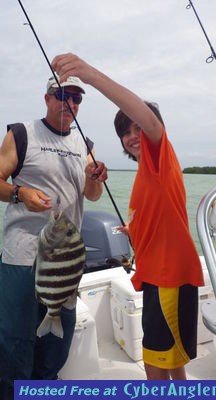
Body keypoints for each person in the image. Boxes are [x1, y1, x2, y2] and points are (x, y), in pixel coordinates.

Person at [51, 53, 204, 380]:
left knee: (154, 363)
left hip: (168, 275)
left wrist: (89, 74)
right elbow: (159, 214)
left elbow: (149, 121)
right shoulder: (146, 174)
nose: (133, 135)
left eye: (138, 127)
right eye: (125, 131)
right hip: (158, 276)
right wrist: (133, 228)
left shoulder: (160, 155)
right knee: (171, 359)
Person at [0, 73, 107, 399]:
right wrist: (20, 193)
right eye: (62, 95)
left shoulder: (84, 144)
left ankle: (44, 389)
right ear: (47, 98)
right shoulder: (21, 133)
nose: (69, 103)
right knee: (16, 340)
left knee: (57, 341)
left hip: (65, 258)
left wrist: (95, 177)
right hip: (21, 257)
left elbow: (92, 195)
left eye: (76, 98)